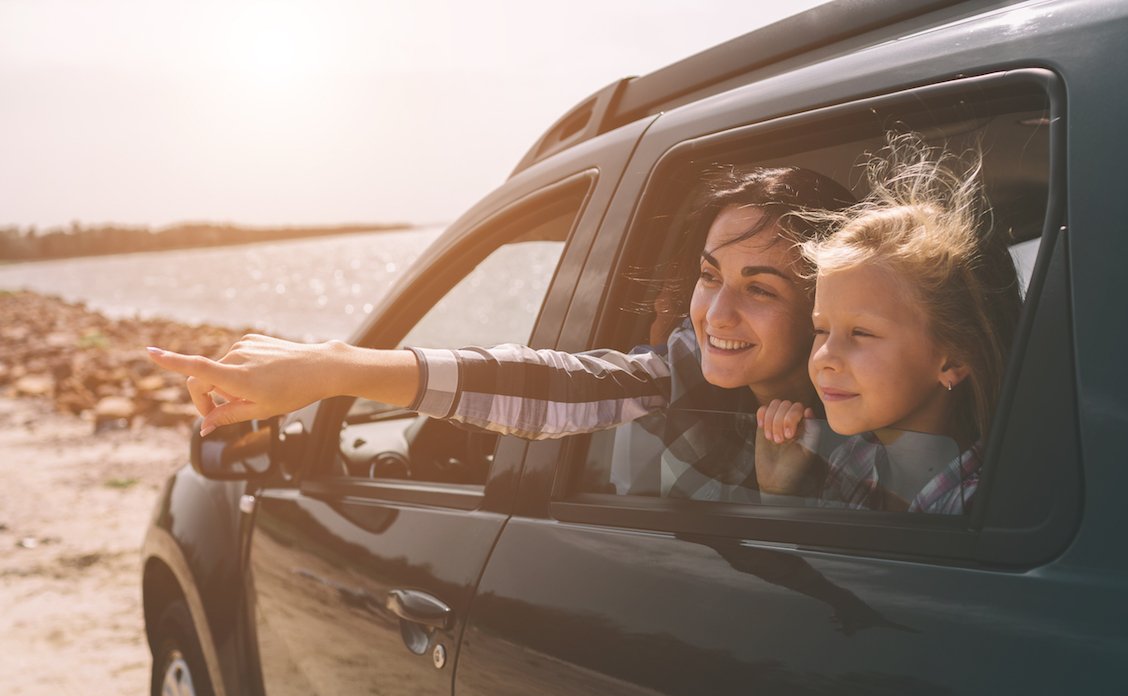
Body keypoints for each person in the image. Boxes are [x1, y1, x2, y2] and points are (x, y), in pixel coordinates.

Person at [147, 166, 854, 501]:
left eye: (761, 288)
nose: (717, 314)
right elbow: (556, 386)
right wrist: (336, 368)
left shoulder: (878, 425)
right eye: (709, 276)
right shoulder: (680, 368)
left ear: (826, 303)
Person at [755, 136, 1023, 513]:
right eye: (820, 330)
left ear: (954, 360)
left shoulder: (988, 510)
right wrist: (777, 495)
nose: (824, 358)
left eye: (861, 333)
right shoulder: (849, 467)